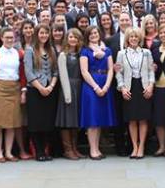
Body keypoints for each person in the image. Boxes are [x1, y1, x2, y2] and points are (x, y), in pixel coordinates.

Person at [0, 27, 28, 163]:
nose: (10, 40)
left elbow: (22, 74)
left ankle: (9, 152)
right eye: (7, 37)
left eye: (12, 37)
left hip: (14, 89)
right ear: (2, 38)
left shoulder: (19, 54)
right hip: (0, 89)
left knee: (12, 123)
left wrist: (23, 91)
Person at [115, 27, 154, 159]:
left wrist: (150, 86)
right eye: (131, 37)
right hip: (129, 87)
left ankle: (141, 146)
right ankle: (134, 147)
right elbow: (118, 73)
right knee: (131, 119)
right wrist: (122, 88)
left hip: (143, 87)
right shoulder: (121, 54)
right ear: (127, 39)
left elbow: (151, 71)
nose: (133, 39)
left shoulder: (146, 53)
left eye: (136, 37)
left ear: (140, 39)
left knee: (143, 119)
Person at [79, 25, 116, 159]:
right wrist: (96, 87)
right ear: (87, 36)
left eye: (96, 33)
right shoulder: (85, 51)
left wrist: (106, 86)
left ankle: (97, 148)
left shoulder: (107, 50)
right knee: (92, 119)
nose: (94, 35)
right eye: (91, 34)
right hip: (91, 85)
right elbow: (84, 71)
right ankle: (92, 150)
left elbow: (111, 69)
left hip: (104, 83)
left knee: (99, 119)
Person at [24, 23, 59, 161]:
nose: (43, 35)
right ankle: (38, 152)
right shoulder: (30, 50)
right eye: (41, 33)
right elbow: (28, 72)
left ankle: (45, 150)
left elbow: (55, 71)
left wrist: (50, 87)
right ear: (36, 35)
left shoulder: (51, 50)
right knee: (36, 122)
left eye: (46, 33)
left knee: (47, 121)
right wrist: (40, 88)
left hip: (50, 89)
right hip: (35, 90)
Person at [56, 28, 85, 159]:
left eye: (76, 38)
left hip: (79, 88)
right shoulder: (63, 55)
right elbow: (62, 75)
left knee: (76, 120)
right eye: (71, 37)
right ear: (67, 39)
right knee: (67, 119)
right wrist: (67, 94)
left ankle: (75, 148)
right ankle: (67, 150)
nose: (73, 39)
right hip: (68, 88)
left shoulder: (80, 54)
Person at [150, 23, 165, 156]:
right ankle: (162, 146)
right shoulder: (154, 49)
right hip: (158, 87)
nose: (164, 35)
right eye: (162, 33)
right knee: (159, 119)